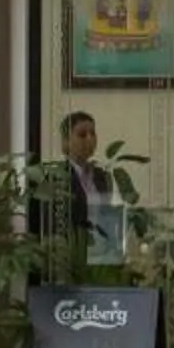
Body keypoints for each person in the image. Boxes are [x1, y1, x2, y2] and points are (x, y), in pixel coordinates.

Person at [60, 110, 123, 268]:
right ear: (66, 142)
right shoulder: (58, 177)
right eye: (82, 134)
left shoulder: (103, 177)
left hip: (101, 254)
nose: (90, 139)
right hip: (73, 256)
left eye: (93, 133)